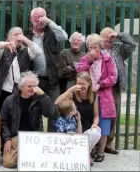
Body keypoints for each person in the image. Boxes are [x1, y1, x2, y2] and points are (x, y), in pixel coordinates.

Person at [25, 7, 68, 132]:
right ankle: (35, 139)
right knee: (33, 111)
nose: (39, 20)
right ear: (31, 19)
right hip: (33, 80)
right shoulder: (27, 34)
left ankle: (51, 140)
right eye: (36, 17)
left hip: (52, 78)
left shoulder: (51, 32)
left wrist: (49, 22)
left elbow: (64, 37)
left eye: (42, 17)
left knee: (54, 111)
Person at [1, 71, 54, 168]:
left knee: (42, 163)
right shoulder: (10, 100)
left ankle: (27, 154)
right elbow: (4, 122)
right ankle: (24, 153)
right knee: (8, 163)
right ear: (21, 87)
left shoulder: (39, 99)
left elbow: (50, 113)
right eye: (29, 86)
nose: (32, 88)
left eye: (34, 86)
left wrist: (43, 95)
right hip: (16, 137)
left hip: (34, 137)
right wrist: (7, 139)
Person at [77, 34, 117, 162]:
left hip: (103, 96)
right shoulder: (86, 58)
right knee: (89, 122)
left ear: (100, 47)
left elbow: (113, 77)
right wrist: (89, 60)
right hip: (88, 95)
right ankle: (91, 150)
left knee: (104, 123)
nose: (93, 50)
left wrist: (100, 85)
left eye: (95, 47)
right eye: (90, 47)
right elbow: (80, 71)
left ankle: (101, 151)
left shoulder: (108, 59)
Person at [100, 27, 137, 155]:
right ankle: (98, 144)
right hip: (101, 87)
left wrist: (118, 35)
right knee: (99, 113)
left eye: (111, 37)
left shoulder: (119, 49)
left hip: (115, 87)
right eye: (106, 37)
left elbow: (132, 44)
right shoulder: (97, 49)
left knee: (113, 115)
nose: (109, 40)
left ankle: (108, 144)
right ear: (101, 38)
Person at [0, 27, 42, 114]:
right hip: (5, 89)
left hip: (22, 90)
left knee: (20, 114)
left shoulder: (27, 51)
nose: (19, 37)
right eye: (16, 35)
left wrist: (25, 39)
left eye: (21, 34)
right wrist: (7, 44)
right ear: (9, 37)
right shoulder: (2, 51)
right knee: (3, 115)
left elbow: (38, 51)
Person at [55, 71, 102, 165]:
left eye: (83, 84)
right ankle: (82, 156)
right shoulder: (73, 94)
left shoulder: (94, 95)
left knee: (96, 132)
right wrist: (70, 90)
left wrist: (95, 124)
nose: (80, 86)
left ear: (89, 83)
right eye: (78, 83)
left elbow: (96, 116)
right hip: (74, 127)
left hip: (87, 127)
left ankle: (84, 153)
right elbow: (57, 102)